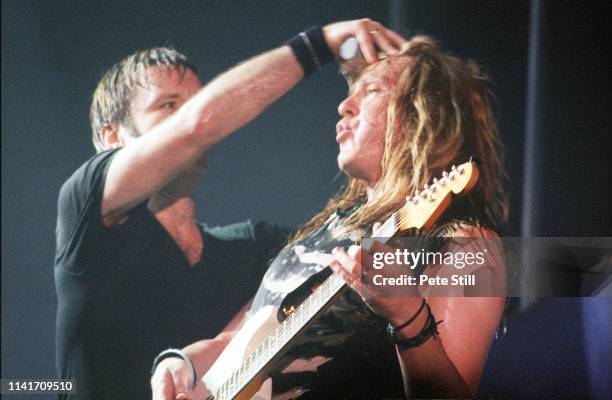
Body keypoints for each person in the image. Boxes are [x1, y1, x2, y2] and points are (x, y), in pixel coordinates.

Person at [150, 21, 509, 400]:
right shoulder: (325, 231)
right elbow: (235, 341)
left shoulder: (463, 244)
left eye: (371, 90)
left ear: (426, 116)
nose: (344, 105)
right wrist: (181, 363)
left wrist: (408, 317)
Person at [54, 19, 402, 399]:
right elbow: (198, 124)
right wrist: (318, 44)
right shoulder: (85, 207)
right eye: (168, 105)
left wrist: (472, 261)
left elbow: (368, 263)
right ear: (112, 138)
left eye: (197, 100)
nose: (193, 115)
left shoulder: (252, 247)